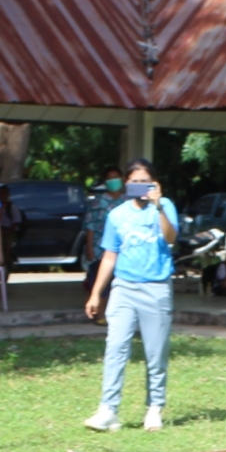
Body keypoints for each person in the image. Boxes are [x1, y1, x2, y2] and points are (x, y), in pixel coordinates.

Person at [84, 159, 178, 432]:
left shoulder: (165, 206)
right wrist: (96, 294)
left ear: (154, 183)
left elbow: (170, 238)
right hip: (124, 288)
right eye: (134, 182)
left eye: (144, 182)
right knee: (115, 348)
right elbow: (109, 256)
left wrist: (158, 205)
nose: (139, 186)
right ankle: (108, 409)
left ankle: (154, 407)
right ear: (127, 184)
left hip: (156, 288)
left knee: (155, 353)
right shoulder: (117, 215)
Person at [81, 167, 122, 302]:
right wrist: (89, 248)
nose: (113, 181)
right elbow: (90, 225)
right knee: (100, 284)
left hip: (123, 251)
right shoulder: (97, 202)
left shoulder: (128, 201)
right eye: (110, 178)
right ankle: (99, 310)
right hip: (100, 250)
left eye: (116, 177)